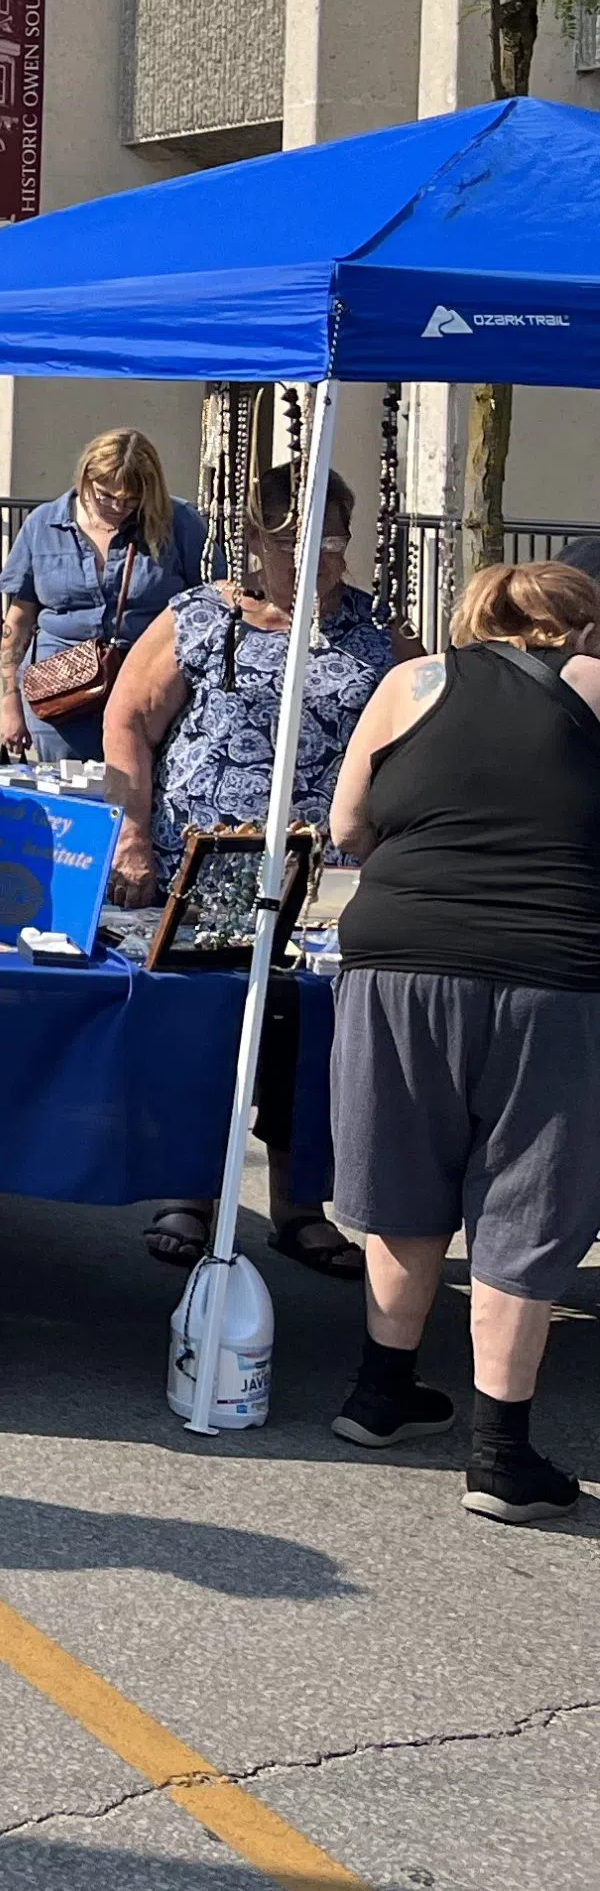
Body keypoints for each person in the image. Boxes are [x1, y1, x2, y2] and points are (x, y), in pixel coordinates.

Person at [323, 559, 600, 1522]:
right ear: (577, 628)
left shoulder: (410, 683)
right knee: (528, 1196)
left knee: (406, 1177)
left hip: (396, 960)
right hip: (551, 969)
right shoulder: (592, 684)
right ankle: (500, 1450)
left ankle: (380, 1391)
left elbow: (347, 824)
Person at [104, 461, 409, 1273]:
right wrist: (131, 832)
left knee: (307, 1035)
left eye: (337, 540)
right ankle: (191, 1191)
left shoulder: (374, 637)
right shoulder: (203, 618)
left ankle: (299, 1205)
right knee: (207, 1024)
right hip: (210, 858)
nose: (323, 558)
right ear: (256, 540)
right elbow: (127, 719)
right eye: (302, 541)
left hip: (326, 865)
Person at [0, 429, 203, 763]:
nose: (118, 507)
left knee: (139, 794)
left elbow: (210, 603)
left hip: (149, 684)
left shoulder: (179, 523)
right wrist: (10, 702)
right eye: (106, 495)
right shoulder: (43, 525)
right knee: (71, 792)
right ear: (85, 477)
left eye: (131, 500)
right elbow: (18, 621)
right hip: (59, 690)